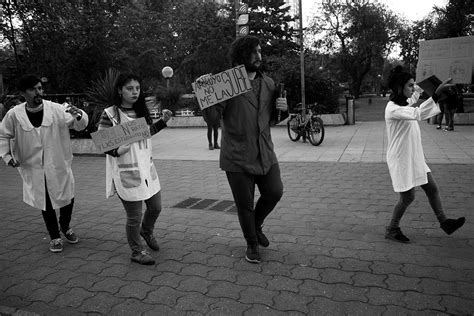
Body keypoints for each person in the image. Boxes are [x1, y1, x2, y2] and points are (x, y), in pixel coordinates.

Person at [201, 35, 288, 264]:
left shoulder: (269, 84)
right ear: (241, 56)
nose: (259, 56)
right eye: (254, 52)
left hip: (265, 152)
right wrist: (205, 96)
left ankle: (256, 226)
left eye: (260, 51)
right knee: (244, 204)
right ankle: (251, 243)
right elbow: (212, 119)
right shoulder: (228, 82)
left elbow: (273, 119)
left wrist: (284, 111)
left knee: (275, 191)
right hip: (237, 155)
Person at [0, 74, 89, 252]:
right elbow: (3, 135)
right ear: (22, 93)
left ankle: (65, 225)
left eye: (40, 88)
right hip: (33, 167)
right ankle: (55, 236)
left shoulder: (56, 109)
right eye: (33, 89)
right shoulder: (14, 115)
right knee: (45, 201)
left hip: (58, 163)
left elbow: (80, 124)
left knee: (67, 197)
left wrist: (78, 114)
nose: (38, 92)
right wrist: (7, 156)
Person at [384, 66, 465, 243]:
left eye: (413, 85)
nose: (413, 89)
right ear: (399, 87)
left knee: (432, 188)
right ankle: (392, 229)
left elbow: (415, 97)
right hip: (401, 159)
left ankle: (444, 222)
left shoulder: (404, 103)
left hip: (414, 157)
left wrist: (424, 78)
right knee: (408, 197)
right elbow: (418, 113)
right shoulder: (392, 109)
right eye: (409, 85)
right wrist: (435, 94)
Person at [97, 73, 172, 265]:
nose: (135, 92)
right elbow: (102, 143)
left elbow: (145, 135)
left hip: (147, 170)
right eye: (130, 88)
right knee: (134, 216)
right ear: (120, 90)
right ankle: (137, 251)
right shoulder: (110, 114)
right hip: (126, 172)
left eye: (137, 88)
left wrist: (162, 122)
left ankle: (146, 232)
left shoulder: (140, 111)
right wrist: (116, 150)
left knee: (156, 207)